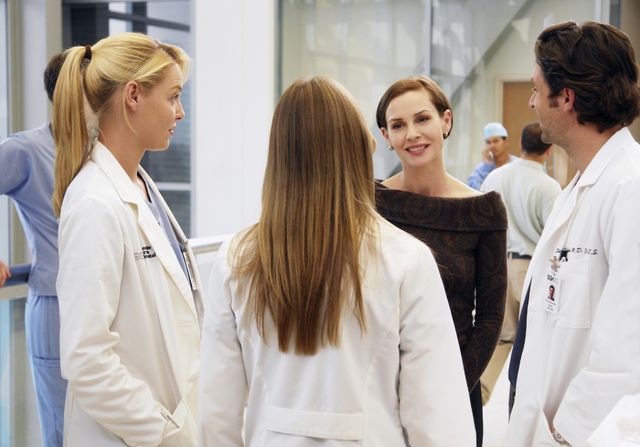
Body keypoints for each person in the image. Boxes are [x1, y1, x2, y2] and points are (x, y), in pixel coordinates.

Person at [198, 76, 475, 446]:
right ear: (359, 148)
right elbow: (438, 419)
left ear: (278, 154)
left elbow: (216, 415)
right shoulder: (405, 260)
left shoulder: (237, 259)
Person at [54, 33, 203, 446]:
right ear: (133, 95)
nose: (181, 112)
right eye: (173, 97)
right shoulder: (94, 204)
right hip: (133, 434)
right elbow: (86, 360)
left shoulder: (140, 187)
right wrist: (163, 431)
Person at [506, 21, 640, 446]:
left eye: (536, 89)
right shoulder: (578, 189)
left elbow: (628, 352)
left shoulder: (631, 188)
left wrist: (565, 432)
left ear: (566, 97)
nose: (531, 102)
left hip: (581, 433)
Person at [375, 76, 507, 447]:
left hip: (454, 390)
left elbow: (490, 318)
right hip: (379, 391)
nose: (412, 134)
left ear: (445, 121)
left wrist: (447, 391)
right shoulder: (371, 202)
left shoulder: (483, 211)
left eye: (422, 119)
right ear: (386, 136)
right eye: (398, 125)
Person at [0, 52, 67, 446]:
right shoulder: (24, 149)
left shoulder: (101, 152)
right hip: (55, 307)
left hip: (105, 304)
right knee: (64, 432)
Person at [478, 121, 561, 404]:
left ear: (520, 145)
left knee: (501, 338)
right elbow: (555, 238)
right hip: (531, 270)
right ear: (549, 150)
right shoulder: (549, 188)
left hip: (496, 266)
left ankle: (480, 395)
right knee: (532, 343)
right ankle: (520, 405)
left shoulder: (493, 178)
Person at [467, 121, 517, 190]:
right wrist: (486, 167)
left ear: (506, 142)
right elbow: (474, 189)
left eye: (496, 141)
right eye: (488, 142)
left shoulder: (516, 164)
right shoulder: (483, 168)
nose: (492, 146)